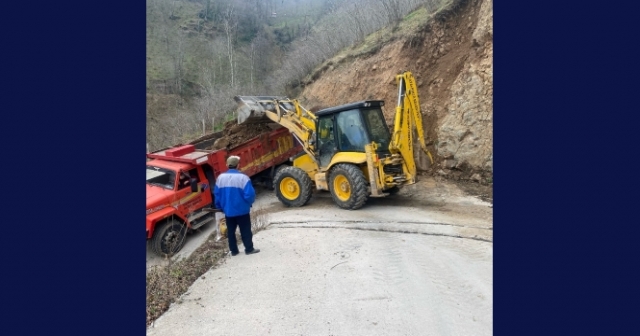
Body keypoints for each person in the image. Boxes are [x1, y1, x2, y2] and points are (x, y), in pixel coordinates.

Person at [213, 155, 260, 256]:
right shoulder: (244, 178)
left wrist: (220, 207)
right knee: (245, 230)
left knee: (230, 231)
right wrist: (248, 203)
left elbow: (217, 195)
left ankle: (234, 251)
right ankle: (249, 249)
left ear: (227, 165)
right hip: (242, 210)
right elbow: (250, 195)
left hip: (228, 211)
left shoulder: (220, 178)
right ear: (238, 165)